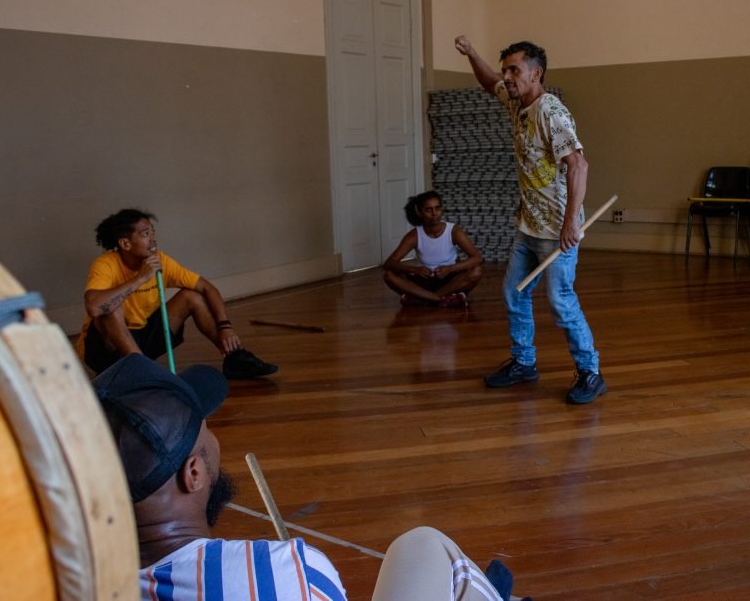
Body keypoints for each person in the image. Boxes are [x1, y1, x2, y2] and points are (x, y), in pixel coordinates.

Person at [92, 353, 519, 601]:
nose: (212, 436)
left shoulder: (60, 582)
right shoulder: (283, 571)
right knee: (427, 548)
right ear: (194, 473)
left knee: (421, 549)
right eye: (206, 429)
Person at [455, 35, 606, 404]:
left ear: (536, 73)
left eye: (514, 70)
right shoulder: (516, 101)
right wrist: (473, 53)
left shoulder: (550, 112)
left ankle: (591, 372)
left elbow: (578, 165)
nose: (506, 76)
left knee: (560, 301)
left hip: (557, 231)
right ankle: (524, 362)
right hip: (529, 226)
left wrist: (571, 223)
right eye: (506, 68)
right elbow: (488, 81)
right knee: (514, 293)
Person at [76, 208, 277, 379]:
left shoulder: (161, 261)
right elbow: (94, 307)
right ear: (125, 244)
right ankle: (145, 373)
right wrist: (140, 278)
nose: (153, 238)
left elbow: (208, 288)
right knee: (110, 309)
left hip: (141, 340)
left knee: (192, 297)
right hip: (107, 350)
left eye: (152, 232)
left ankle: (234, 359)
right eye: (145, 234)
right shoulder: (105, 265)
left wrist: (225, 327)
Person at [383, 190, 484, 307]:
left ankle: (424, 299)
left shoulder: (453, 231)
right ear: (419, 212)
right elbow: (389, 263)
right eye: (428, 210)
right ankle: (442, 299)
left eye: (437, 208)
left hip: (450, 280)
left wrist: (450, 269)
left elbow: (477, 258)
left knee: (477, 271)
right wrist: (413, 270)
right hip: (424, 281)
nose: (434, 213)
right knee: (389, 275)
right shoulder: (414, 235)